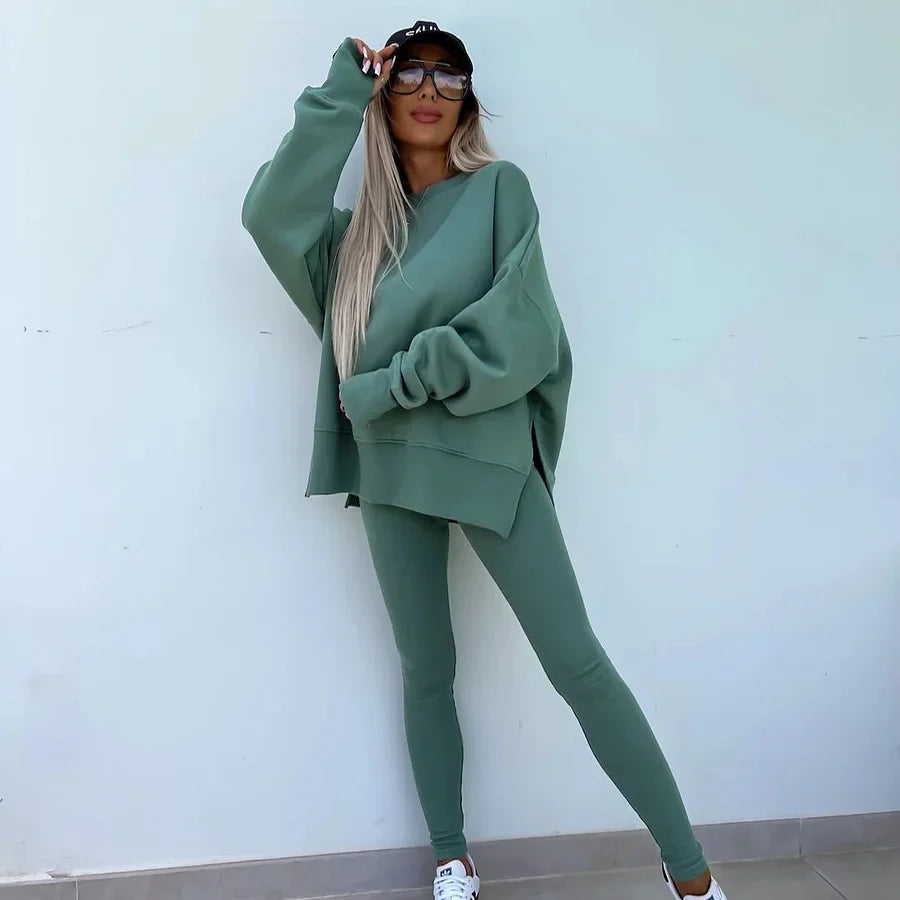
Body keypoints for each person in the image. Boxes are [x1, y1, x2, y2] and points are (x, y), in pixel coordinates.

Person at [241, 19, 729, 900]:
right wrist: (342, 90)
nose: (430, 89)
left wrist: (387, 385)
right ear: (384, 97)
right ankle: (451, 859)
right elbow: (268, 215)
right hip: (392, 473)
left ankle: (690, 877)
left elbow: (521, 330)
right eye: (409, 74)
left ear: (467, 100)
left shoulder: (501, 191)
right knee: (426, 671)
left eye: (449, 75)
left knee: (577, 663)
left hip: (491, 461)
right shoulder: (354, 244)